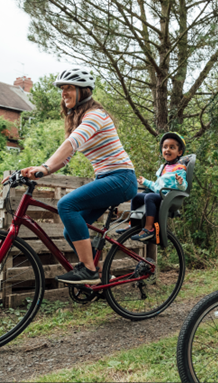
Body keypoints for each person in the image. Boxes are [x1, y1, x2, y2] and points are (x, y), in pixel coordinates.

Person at [19, 67, 138, 285]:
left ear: (83, 91)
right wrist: (40, 170)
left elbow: (71, 143)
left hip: (121, 178)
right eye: (62, 89)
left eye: (69, 88)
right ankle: (101, 274)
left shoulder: (95, 115)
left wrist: (44, 167)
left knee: (66, 206)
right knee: (70, 230)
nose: (64, 92)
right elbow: (66, 157)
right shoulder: (78, 119)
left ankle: (89, 270)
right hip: (106, 180)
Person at [115, 132, 188, 242]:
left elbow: (183, 187)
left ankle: (149, 228)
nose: (167, 150)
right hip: (160, 194)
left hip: (168, 197)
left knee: (149, 197)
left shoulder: (179, 168)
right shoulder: (164, 167)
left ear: (179, 152)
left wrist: (180, 182)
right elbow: (157, 186)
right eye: (165, 147)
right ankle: (133, 224)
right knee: (136, 197)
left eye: (172, 147)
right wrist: (146, 182)